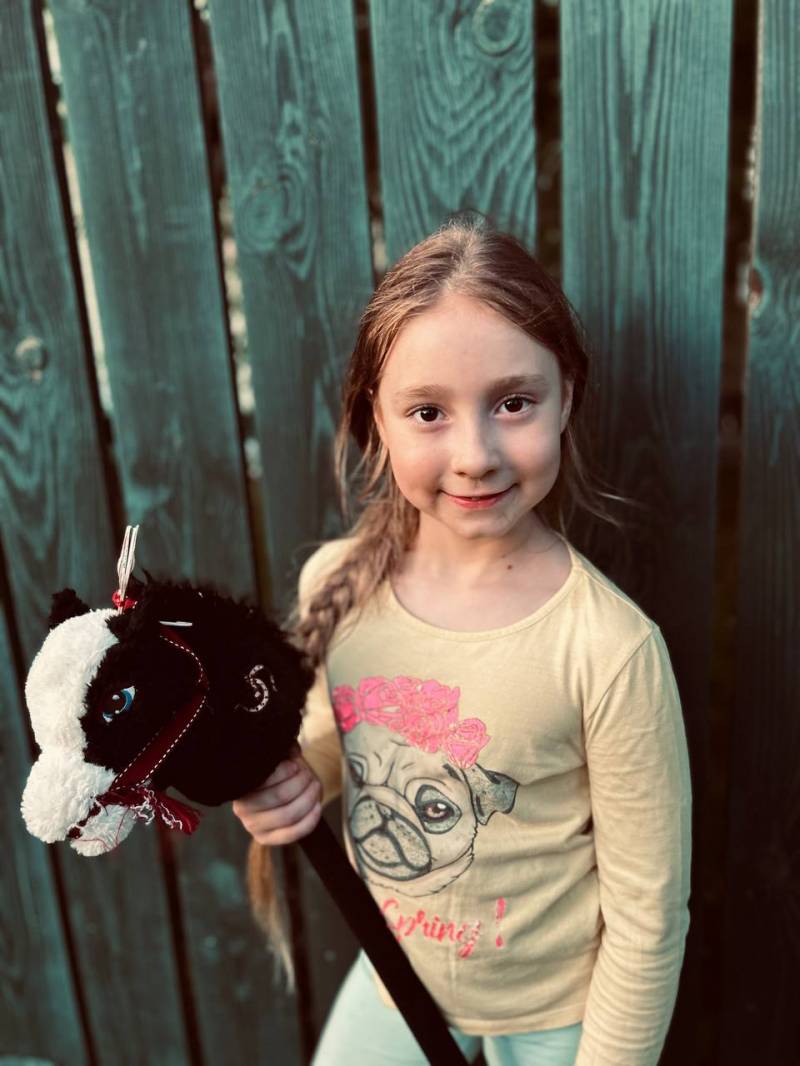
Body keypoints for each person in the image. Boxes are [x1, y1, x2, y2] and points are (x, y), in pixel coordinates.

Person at [232, 216, 693, 1066]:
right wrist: (284, 788)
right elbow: (334, 748)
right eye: (428, 412)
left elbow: (648, 916)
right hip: (392, 980)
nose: (476, 454)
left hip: (558, 1015)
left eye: (513, 403)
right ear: (377, 417)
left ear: (566, 398)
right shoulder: (341, 586)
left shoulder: (608, 649)